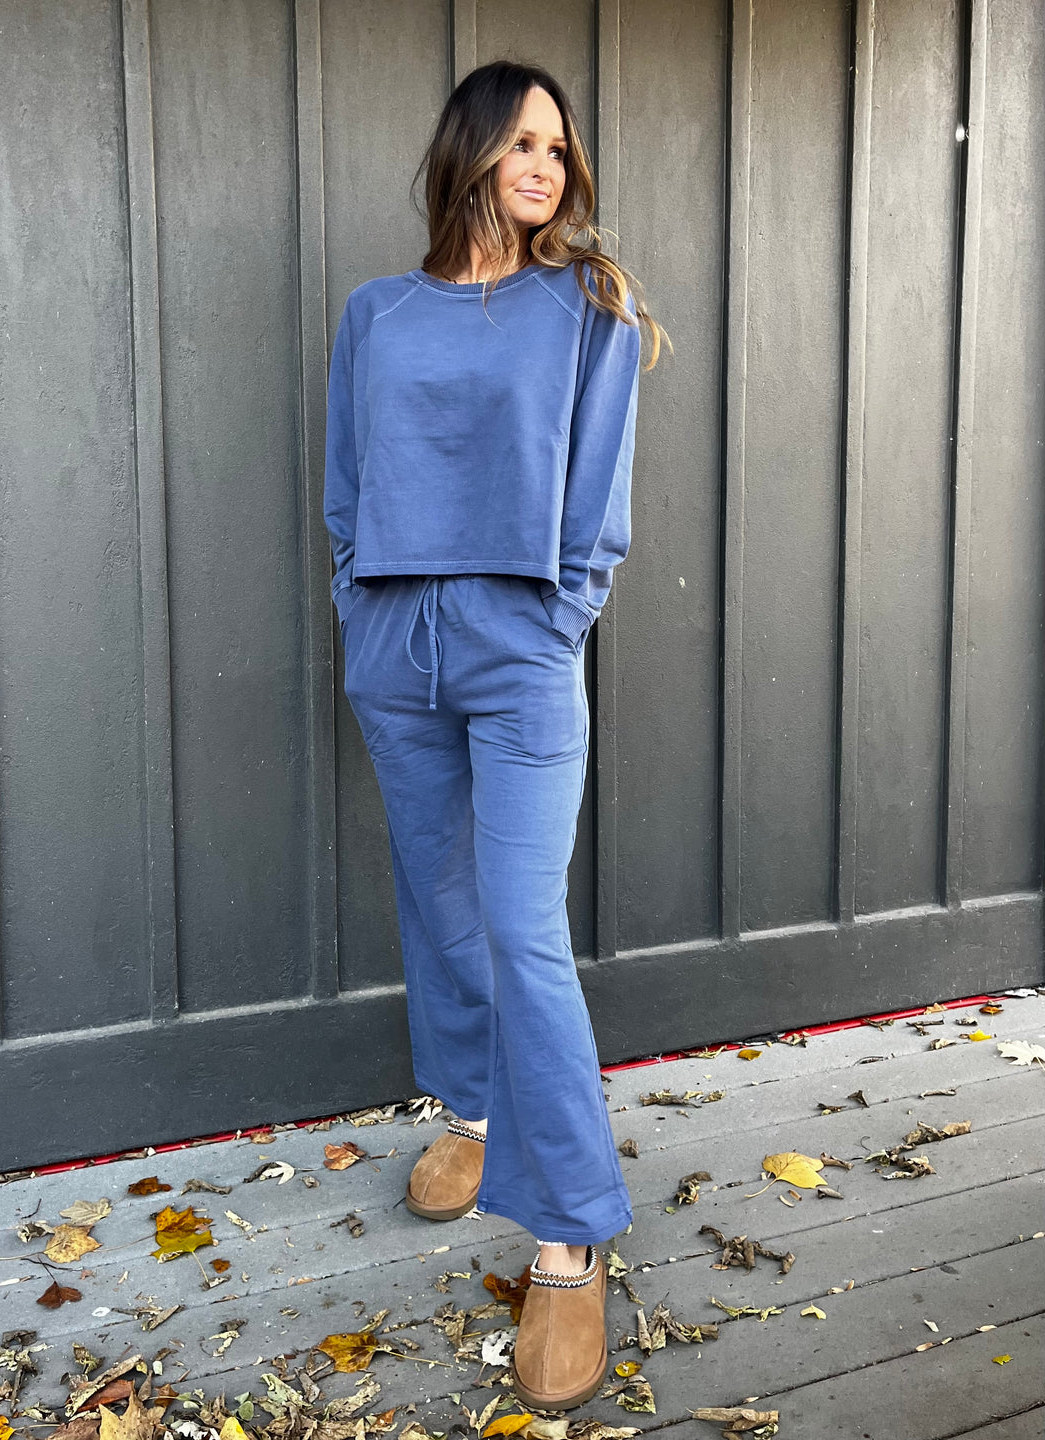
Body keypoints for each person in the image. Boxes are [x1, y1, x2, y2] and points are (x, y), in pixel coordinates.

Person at [323, 59, 668, 1411]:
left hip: (520, 644)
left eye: (560, 150)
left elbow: (602, 500)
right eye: (524, 142)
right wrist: (362, 599)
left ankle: (573, 1235)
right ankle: (470, 1113)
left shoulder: (585, 305)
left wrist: (551, 617)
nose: (547, 166)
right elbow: (348, 480)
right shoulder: (376, 314)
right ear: (468, 152)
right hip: (395, 638)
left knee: (522, 924)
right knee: (441, 897)